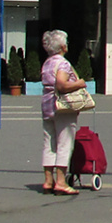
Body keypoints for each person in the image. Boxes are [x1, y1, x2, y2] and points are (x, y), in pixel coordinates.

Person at [40, 30, 85, 195]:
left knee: (49, 143)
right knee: (64, 143)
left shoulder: (47, 63)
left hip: (46, 105)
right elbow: (61, 85)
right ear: (63, 46)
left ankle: (48, 180)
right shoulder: (63, 64)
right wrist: (79, 83)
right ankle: (60, 181)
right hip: (62, 107)